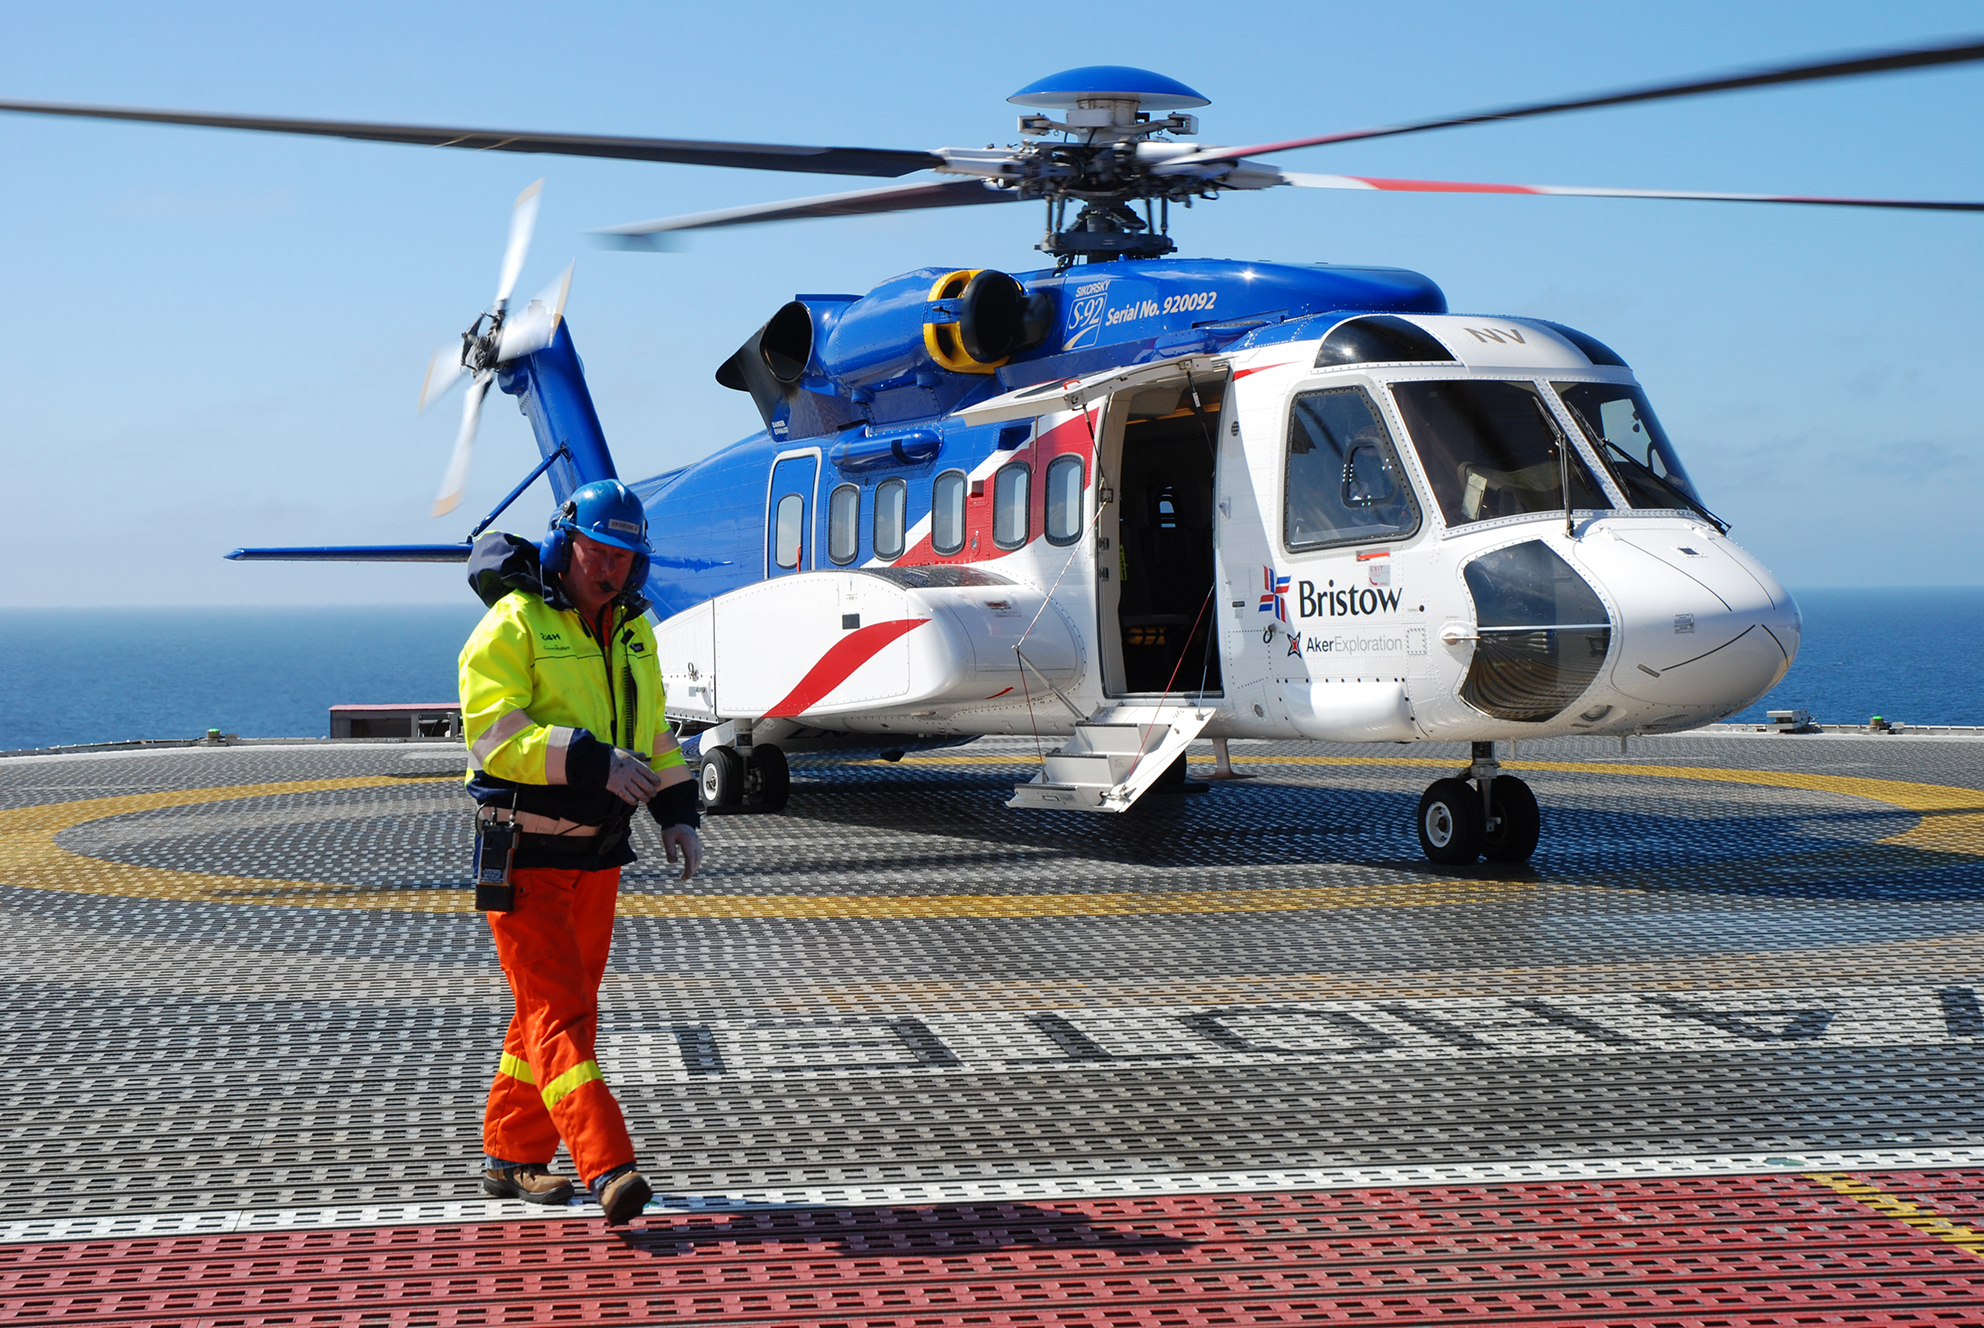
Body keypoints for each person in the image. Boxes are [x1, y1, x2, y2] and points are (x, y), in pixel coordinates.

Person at [457, 478, 703, 1226]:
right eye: (600, 553)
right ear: (568, 546)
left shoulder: (633, 631)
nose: (613, 571)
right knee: (560, 1015)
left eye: (627, 559)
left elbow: (655, 732)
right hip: (525, 855)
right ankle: (609, 1166)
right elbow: (492, 737)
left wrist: (676, 809)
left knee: (554, 1013)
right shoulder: (514, 624)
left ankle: (512, 1154)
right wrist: (596, 763)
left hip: (598, 856)